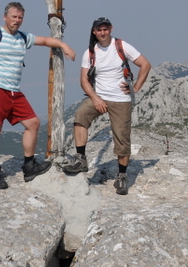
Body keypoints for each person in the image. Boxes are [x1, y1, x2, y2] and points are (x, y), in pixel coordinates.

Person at [0, 1, 75, 189]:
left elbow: (46, 41)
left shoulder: (23, 37)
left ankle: (29, 166)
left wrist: (64, 46)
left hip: (14, 90)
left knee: (33, 123)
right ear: (5, 17)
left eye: (20, 18)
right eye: (13, 17)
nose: (17, 21)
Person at [61, 17, 151, 195]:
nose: (103, 33)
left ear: (111, 29)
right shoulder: (90, 53)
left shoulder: (121, 46)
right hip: (99, 97)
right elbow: (84, 80)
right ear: (94, 32)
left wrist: (136, 88)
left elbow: (145, 64)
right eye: (99, 30)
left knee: (122, 138)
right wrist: (95, 99)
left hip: (121, 99)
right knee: (80, 116)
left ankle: (122, 177)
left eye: (105, 29)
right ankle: (81, 159)